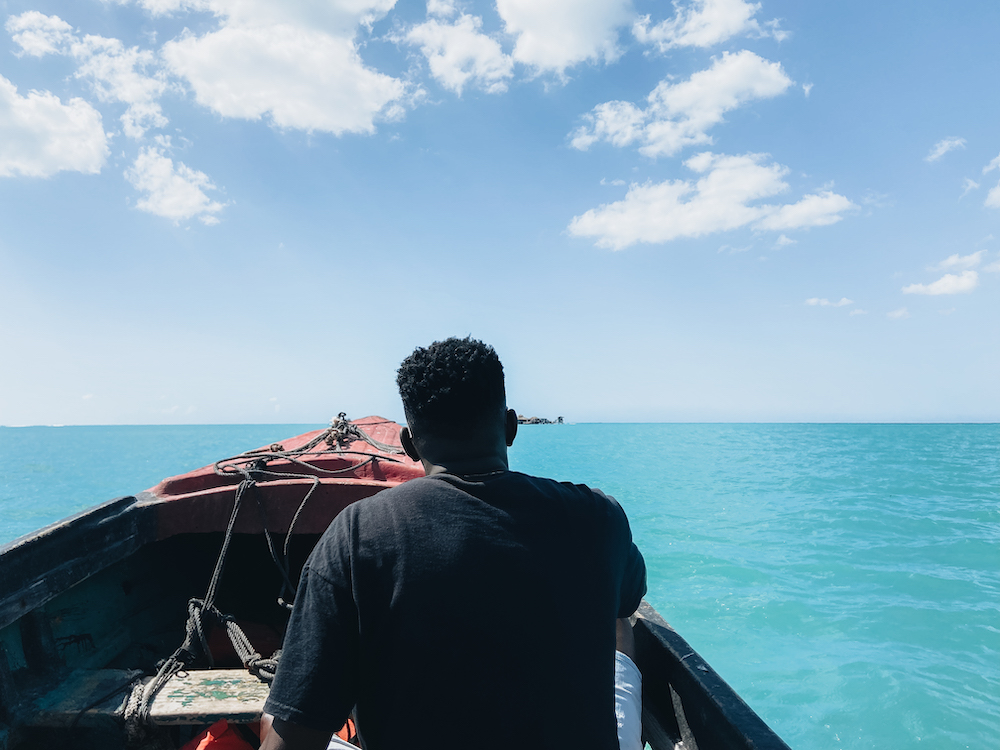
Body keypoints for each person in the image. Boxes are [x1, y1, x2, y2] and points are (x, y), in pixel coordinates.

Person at [260, 337, 646, 750]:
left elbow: (292, 743)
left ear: (408, 445)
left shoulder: (357, 534)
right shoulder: (600, 516)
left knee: (274, 717)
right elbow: (625, 605)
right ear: (511, 427)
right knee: (618, 625)